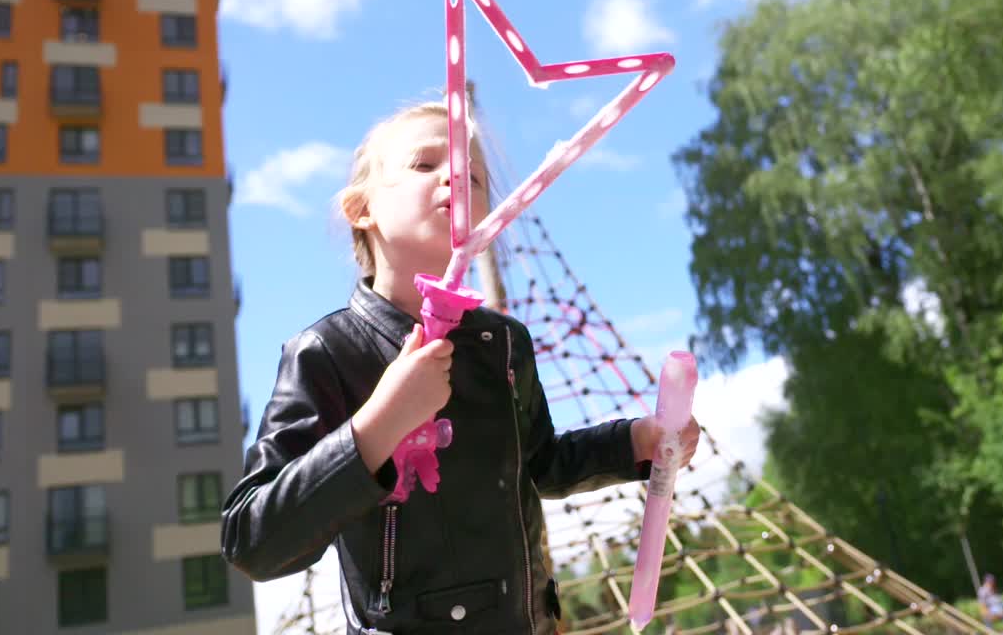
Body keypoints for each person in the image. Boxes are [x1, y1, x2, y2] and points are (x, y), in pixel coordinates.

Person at [220, 101, 701, 633]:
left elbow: (538, 464)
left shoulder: (504, 343)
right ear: (362, 209)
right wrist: (379, 424)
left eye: (471, 174)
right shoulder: (327, 353)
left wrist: (631, 442)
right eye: (425, 165)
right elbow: (252, 540)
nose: (455, 176)